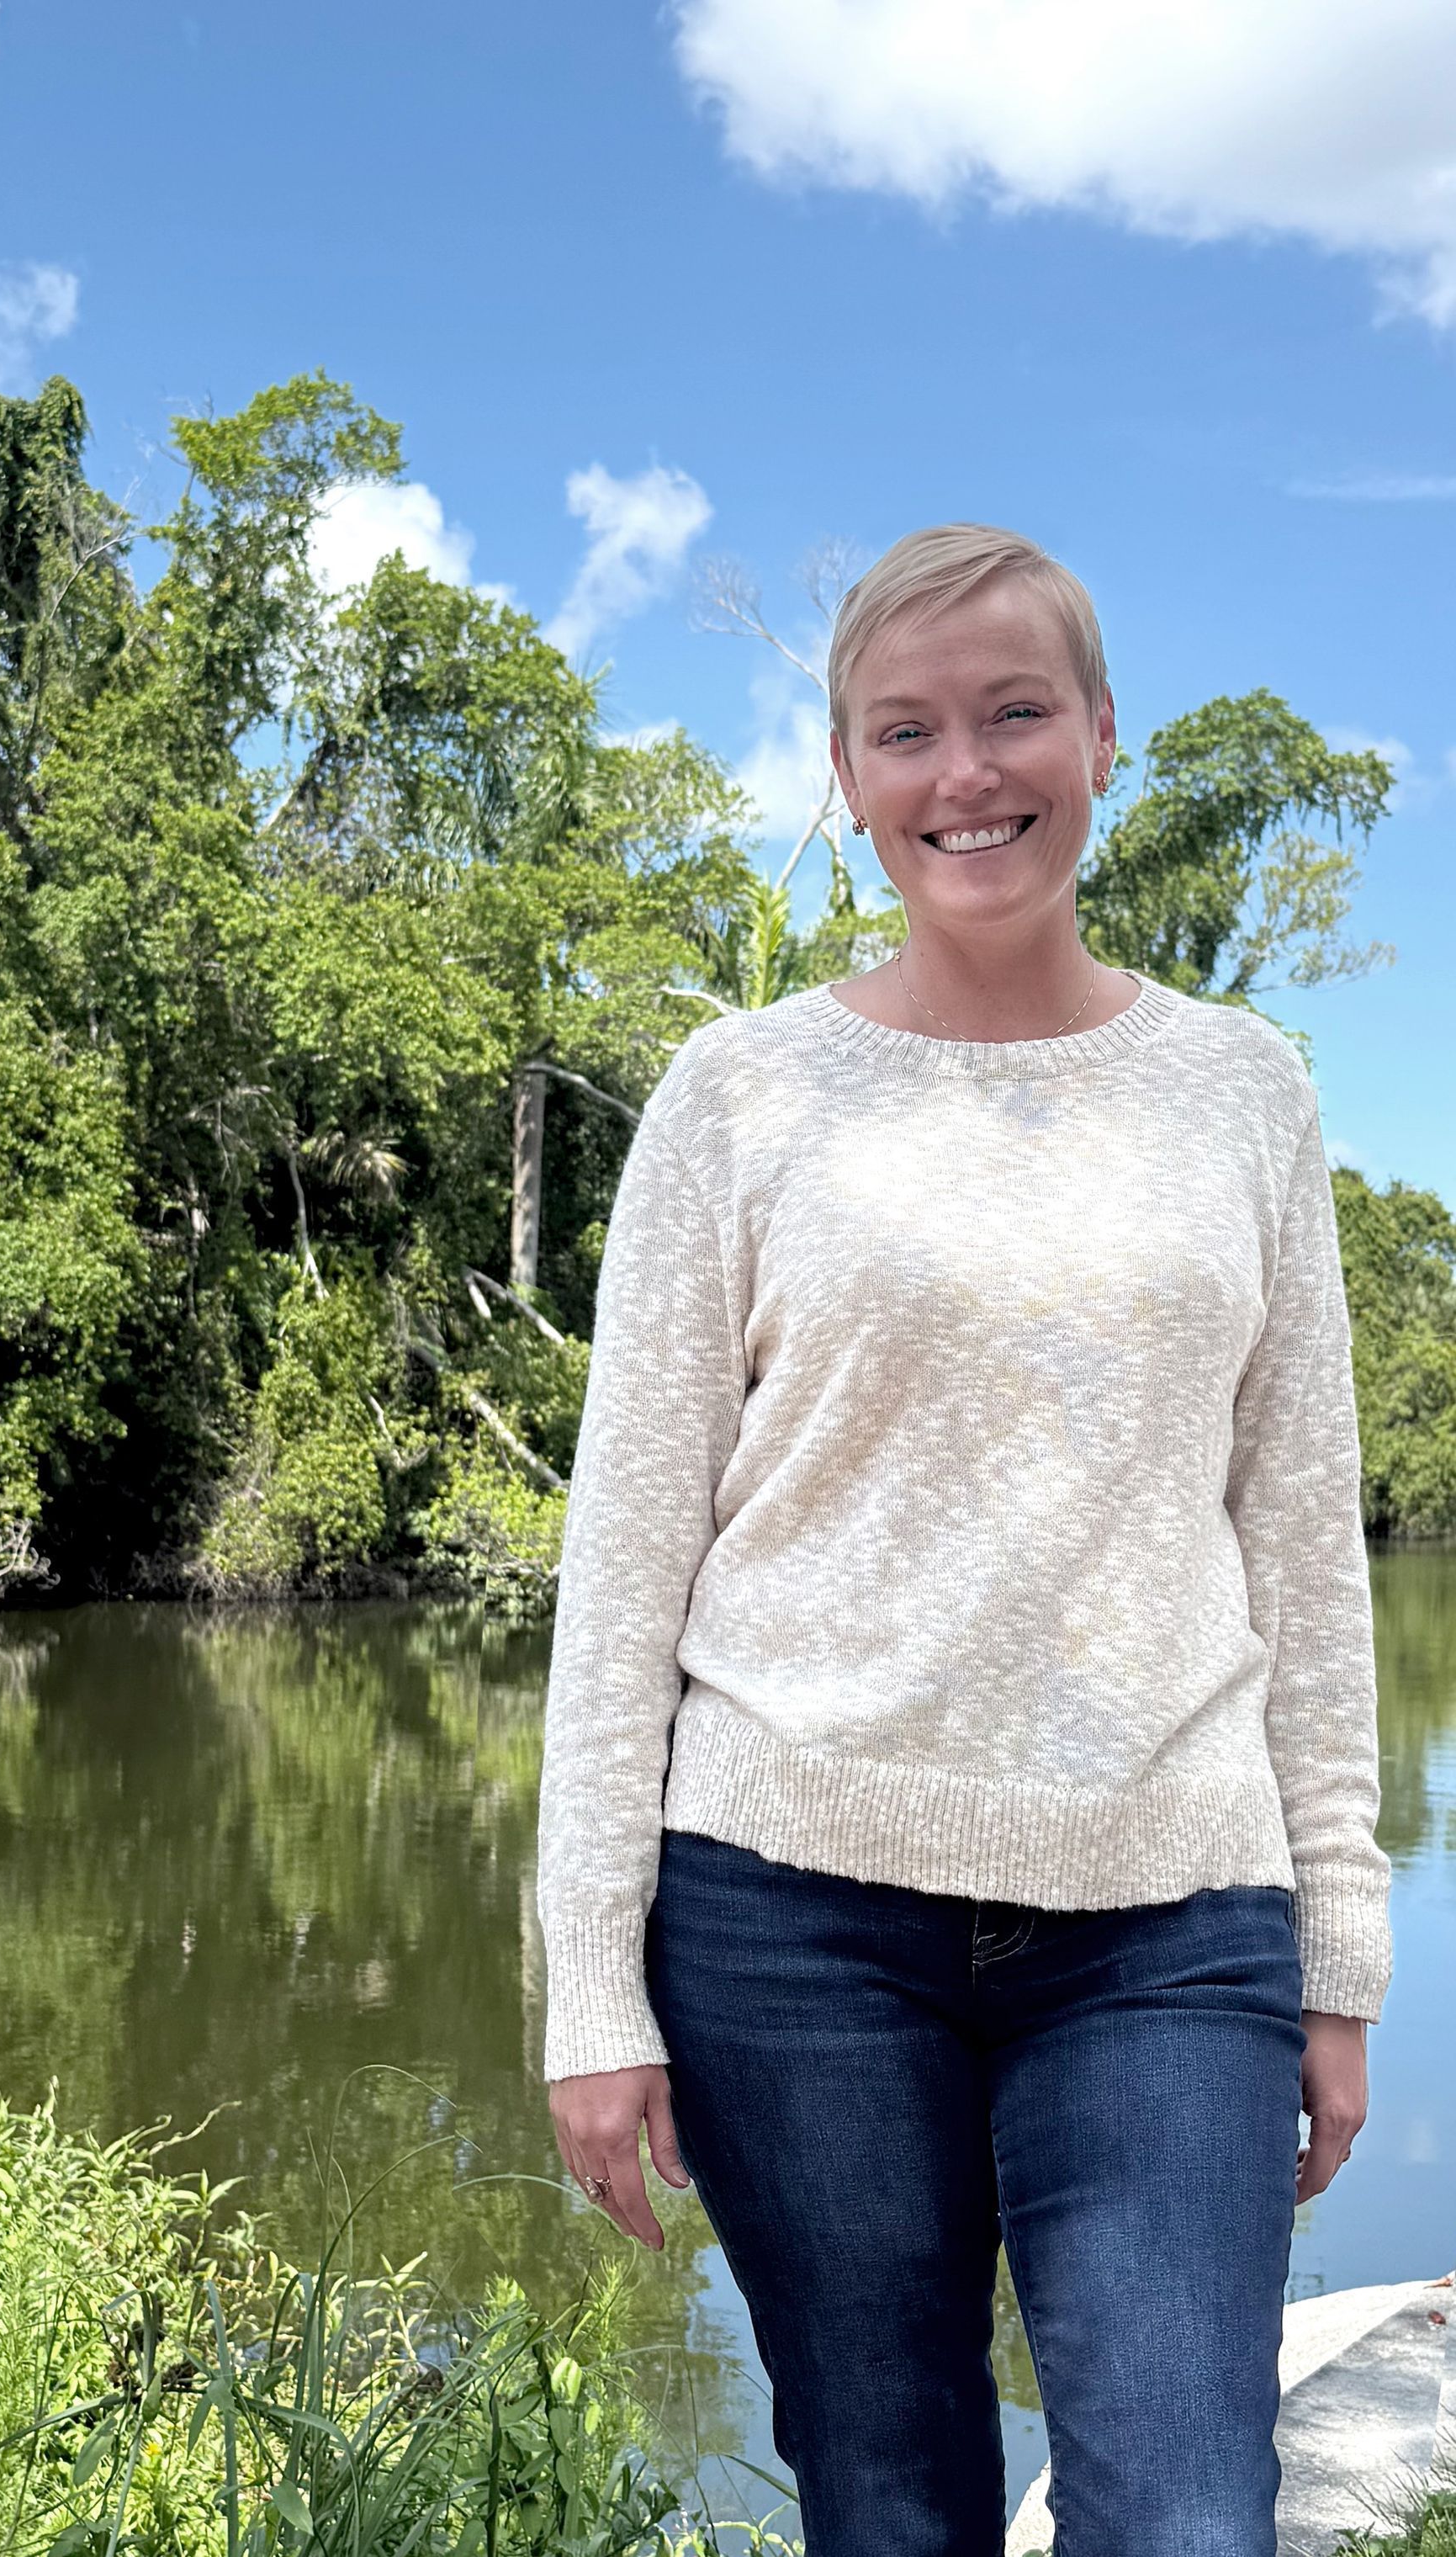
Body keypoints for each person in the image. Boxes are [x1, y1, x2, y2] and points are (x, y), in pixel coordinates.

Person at [536, 523, 1391, 2557]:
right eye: (902, 729)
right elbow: (623, 1562)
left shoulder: (1241, 1093)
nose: (963, 772)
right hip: (786, 1921)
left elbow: (1299, 1541)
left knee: (1187, 2511)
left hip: (1167, 1918)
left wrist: (1336, 1947)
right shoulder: (735, 1096)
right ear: (844, 774)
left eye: (1013, 711)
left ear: (1100, 734)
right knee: (888, 2495)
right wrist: (591, 1974)